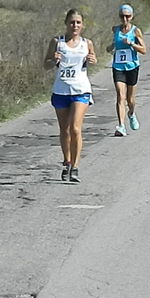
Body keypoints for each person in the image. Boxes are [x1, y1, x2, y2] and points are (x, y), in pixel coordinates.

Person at [44, 9, 97, 182]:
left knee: (75, 128)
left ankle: (75, 167)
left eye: (78, 23)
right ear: (66, 23)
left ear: (82, 25)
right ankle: (67, 161)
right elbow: (45, 65)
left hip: (80, 90)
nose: (75, 26)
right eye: (72, 22)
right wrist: (53, 60)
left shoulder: (87, 43)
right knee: (64, 130)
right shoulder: (57, 42)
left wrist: (92, 60)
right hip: (61, 90)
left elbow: (93, 58)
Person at [108, 4, 147, 136]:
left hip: (132, 67)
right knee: (120, 96)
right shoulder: (115, 30)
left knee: (130, 99)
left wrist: (132, 44)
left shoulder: (136, 31)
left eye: (127, 16)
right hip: (118, 66)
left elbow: (144, 50)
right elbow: (110, 47)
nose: (124, 19)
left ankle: (131, 113)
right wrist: (111, 47)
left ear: (131, 17)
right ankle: (121, 126)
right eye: (122, 16)